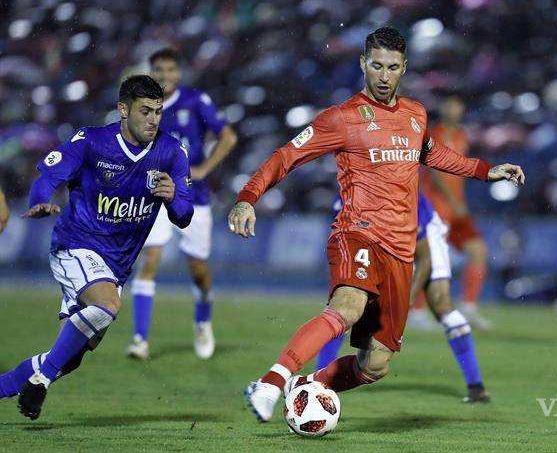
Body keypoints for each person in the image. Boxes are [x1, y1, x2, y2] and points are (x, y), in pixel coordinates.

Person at [228, 26, 523, 422]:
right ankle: (271, 382)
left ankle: (308, 387)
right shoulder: (342, 117)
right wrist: (248, 198)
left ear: (405, 68)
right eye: (377, 66)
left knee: (374, 365)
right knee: (347, 307)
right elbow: (286, 156)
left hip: (401, 253)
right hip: (359, 233)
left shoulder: (416, 115)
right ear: (363, 63)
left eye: (393, 68)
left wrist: (487, 171)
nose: (384, 76)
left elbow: (436, 156)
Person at [0, 75, 193, 420]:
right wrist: (41, 200)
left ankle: (26, 379)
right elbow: (48, 176)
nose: (153, 119)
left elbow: (183, 216)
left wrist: (175, 198)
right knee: (107, 305)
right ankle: (40, 381)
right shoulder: (91, 141)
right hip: (75, 246)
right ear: (122, 110)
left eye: (158, 112)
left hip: (115, 267)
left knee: (67, 358)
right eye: (145, 111)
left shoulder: (171, 152)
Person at [315, 194, 490, 403]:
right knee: (345, 309)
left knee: (441, 302)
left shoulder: (403, 199)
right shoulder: (346, 200)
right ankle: (318, 385)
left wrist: (406, 300)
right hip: (379, 248)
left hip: (423, 241)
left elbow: (424, 258)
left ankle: (476, 386)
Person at [126, 49, 238, 361]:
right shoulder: (142, 105)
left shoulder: (196, 101)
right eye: (158, 70)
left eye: (170, 70)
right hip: (152, 194)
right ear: (150, 71)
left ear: (179, 72)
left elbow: (227, 137)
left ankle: (203, 319)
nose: (164, 76)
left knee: (198, 269)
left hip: (193, 195)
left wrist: (204, 169)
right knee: (149, 259)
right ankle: (139, 339)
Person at [418, 95, 492, 329]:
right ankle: (416, 312)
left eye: (457, 104)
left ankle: (468, 307)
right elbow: (435, 170)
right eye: (448, 103)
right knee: (427, 258)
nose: (452, 108)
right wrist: (452, 199)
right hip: (434, 207)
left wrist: (459, 201)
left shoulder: (462, 136)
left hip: (457, 209)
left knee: (478, 250)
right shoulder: (433, 135)